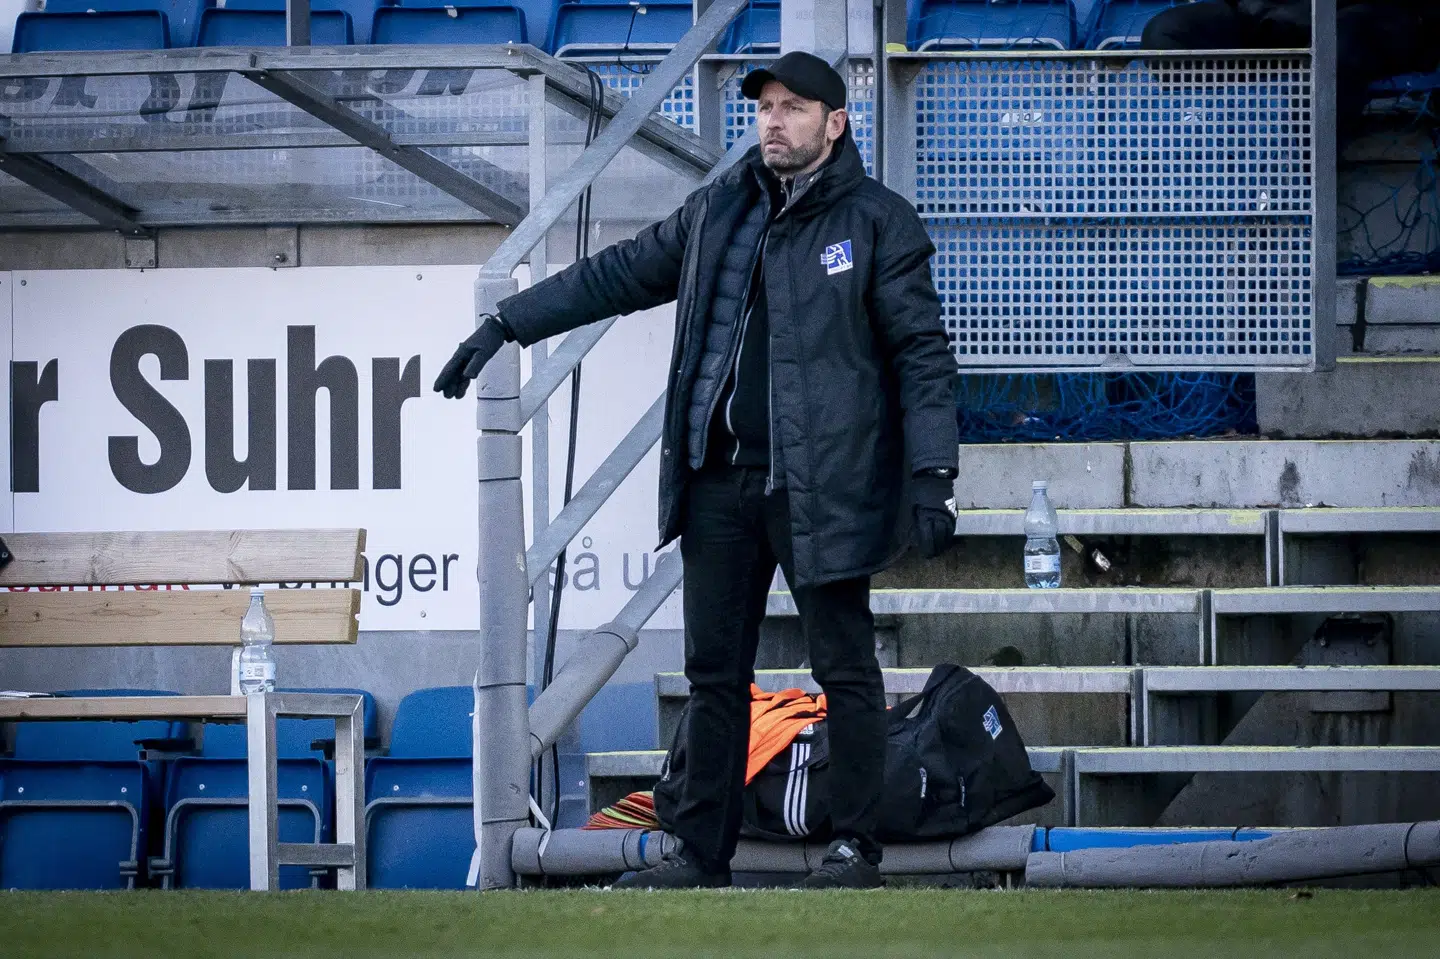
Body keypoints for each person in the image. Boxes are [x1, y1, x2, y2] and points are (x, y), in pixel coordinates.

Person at [433, 51, 960, 890]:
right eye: (766, 108)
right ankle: (697, 853)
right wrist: (509, 322)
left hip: (824, 487)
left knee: (846, 667)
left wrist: (933, 474)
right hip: (717, 480)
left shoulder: (877, 221)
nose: (774, 121)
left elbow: (922, 358)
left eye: (794, 107)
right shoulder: (718, 209)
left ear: (838, 121)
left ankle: (855, 843)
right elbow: (619, 273)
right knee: (715, 673)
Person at [1140, 0, 1440, 141]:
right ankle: (1221, 144)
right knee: (1167, 34)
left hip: (1373, 17)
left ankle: (1305, 174)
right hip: (1271, 14)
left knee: (1338, 42)